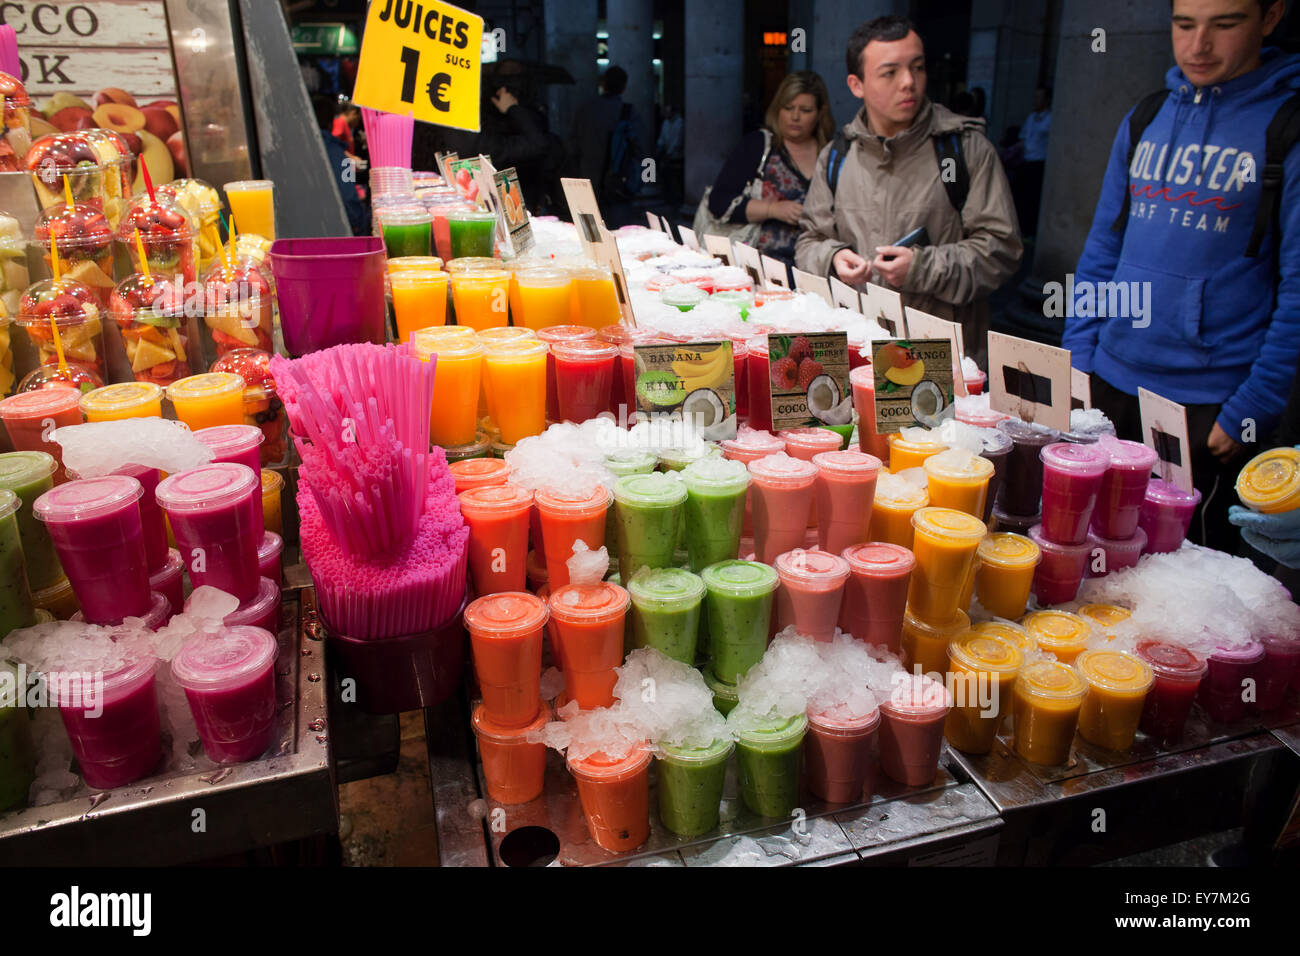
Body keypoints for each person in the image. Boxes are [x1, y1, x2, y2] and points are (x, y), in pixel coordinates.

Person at [1065, 0, 1300, 554]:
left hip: (1210, 407)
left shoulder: (1285, 127)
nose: (1198, 45)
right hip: (1112, 384)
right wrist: (1078, 358)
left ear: (1270, 18)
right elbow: (1103, 246)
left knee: (1183, 565)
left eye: (1225, 24)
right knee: (1095, 545)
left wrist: (1252, 405)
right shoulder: (1146, 116)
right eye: (1184, 24)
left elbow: (1295, 289)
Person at [795, 16, 1022, 367]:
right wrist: (833, 257)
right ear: (857, 84)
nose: (909, 83)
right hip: (858, 350)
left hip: (941, 360)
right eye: (890, 73)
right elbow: (809, 240)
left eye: (917, 68)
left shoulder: (965, 150)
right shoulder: (838, 155)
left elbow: (1001, 250)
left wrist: (922, 268)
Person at [705, 71, 835, 278]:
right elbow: (719, 203)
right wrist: (772, 209)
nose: (795, 117)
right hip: (762, 270)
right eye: (788, 108)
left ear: (820, 113)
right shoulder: (758, 145)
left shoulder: (833, 154)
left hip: (818, 271)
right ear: (777, 109)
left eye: (805, 110)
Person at [567, 66, 631, 207]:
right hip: (615, 182)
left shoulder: (584, 109)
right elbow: (640, 150)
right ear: (624, 87)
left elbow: (572, 145)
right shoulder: (628, 113)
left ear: (603, 84)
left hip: (585, 181)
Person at [311, 94, 365, 235]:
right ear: (331, 122)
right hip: (336, 231)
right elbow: (349, 195)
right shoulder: (338, 154)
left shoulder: (297, 150)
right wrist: (358, 222)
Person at [1013, 87, 1052, 237]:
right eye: (1035, 97)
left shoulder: (1050, 118)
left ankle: (1030, 232)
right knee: (1023, 199)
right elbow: (1023, 139)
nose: (1036, 101)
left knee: (1034, 200)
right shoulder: (1031, 118)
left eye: (1039, 97)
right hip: (1026, 162)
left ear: (1047, 100)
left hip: (1040, 163)